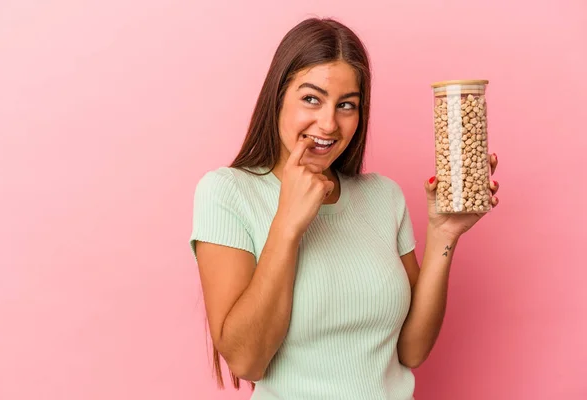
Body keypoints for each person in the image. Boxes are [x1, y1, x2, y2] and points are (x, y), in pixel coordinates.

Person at [189, 17, 500, 400]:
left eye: (346, 105)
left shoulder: (382, 196)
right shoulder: (228, 193)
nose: (328, 123)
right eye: (311, 99)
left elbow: (411, 351)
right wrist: (287, 223)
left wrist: (443, 234)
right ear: (278, 96)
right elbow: (246, 361)